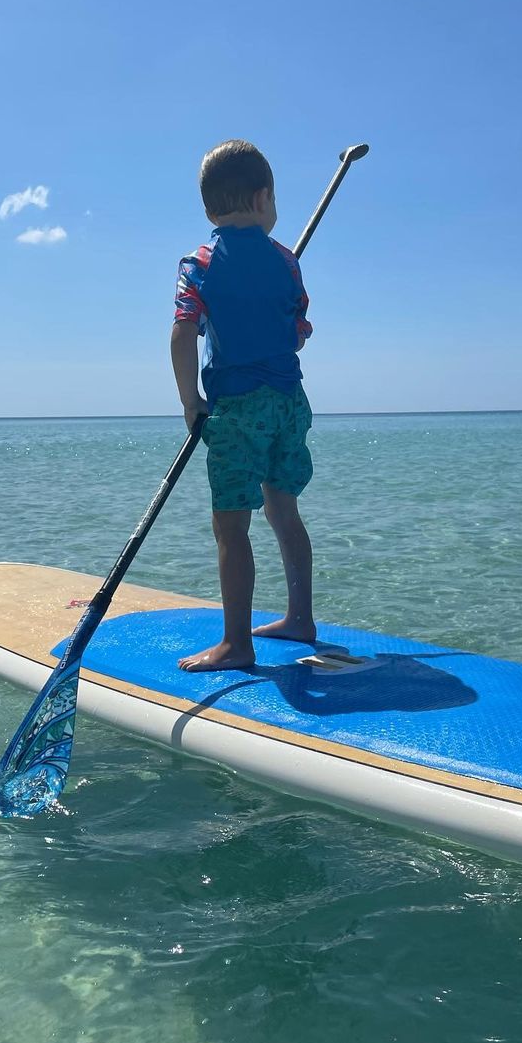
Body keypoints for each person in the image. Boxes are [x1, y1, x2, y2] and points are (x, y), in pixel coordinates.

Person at [170, 139, 316, 672]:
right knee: (284, 511)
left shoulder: (200, 262)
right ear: (263, 199)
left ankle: (236, 643)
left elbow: (184, 333)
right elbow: (298, 333)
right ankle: (300, 616)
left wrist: (191, 402)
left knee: (232, 527)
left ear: (209, 207)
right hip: (289, 403)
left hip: (234, 410)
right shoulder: (286, 262)